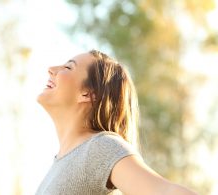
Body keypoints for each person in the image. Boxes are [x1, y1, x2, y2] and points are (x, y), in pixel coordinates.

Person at [35, 50, 198, 195]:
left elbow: (163, 191)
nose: (51, 69)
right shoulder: (59, 163)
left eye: (68, 67)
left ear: (88, 94)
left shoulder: (100, 148)